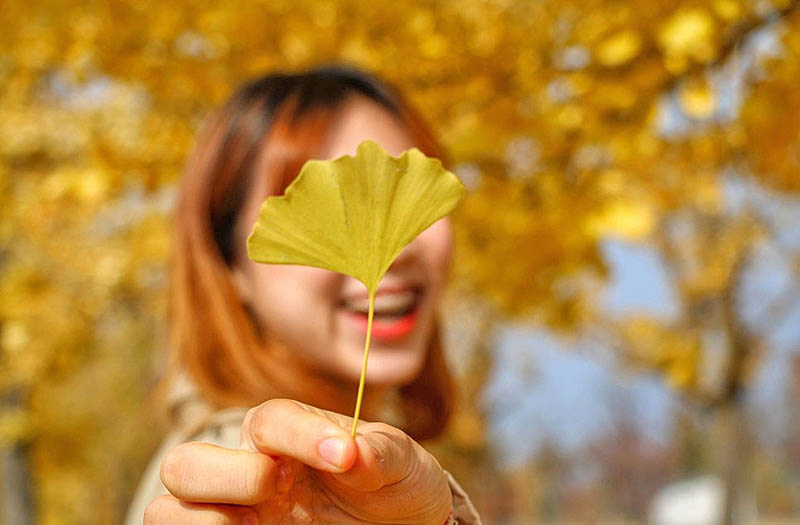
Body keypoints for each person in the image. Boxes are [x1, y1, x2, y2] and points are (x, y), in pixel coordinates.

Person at [126, 65, 482, 524]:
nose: (397, 249)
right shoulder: (250, 479)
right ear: (229, 262)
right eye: (330, 210)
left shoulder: (371, 477)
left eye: (401, 193)